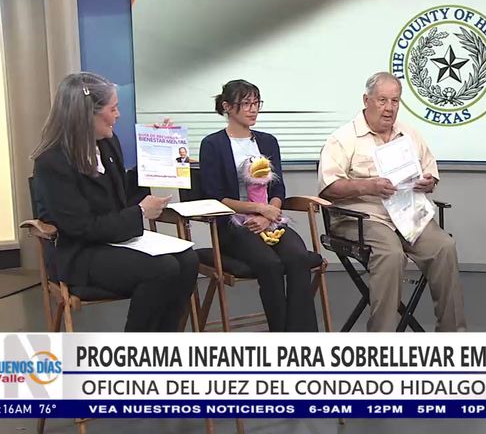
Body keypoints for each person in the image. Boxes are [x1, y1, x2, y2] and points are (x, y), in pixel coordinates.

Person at [32, 72, 199, 332]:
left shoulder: (108, 144)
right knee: (162, 269)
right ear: (87, 114)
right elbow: (82, 227)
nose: (118, 115)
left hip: (115, 240)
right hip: (80, 251)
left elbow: (124, 196)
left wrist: (157, 149)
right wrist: (140, 213)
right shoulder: (51, 162)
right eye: (113, 109)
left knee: (188, 260)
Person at [318, 71, 466, 332]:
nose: (389, 108)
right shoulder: (343, 138)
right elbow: (328, 188)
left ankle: (452, 335)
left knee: (445, 247)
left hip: (408, 215)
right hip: (363, 218)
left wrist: (428, 182)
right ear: (366, 100)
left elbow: (431, 174)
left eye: (395, 101)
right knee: (390, 254)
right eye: (382, 100)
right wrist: (369, 186)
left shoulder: (410, 134)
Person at [200, 79, 319, 332]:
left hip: (269, 221)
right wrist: (257, 209)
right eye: (246, 103)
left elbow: (278, 188)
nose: (253, 109)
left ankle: (301, 336)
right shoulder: (212, 144)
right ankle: (280, 334)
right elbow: (215, 196)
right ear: (227, 107)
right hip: (234, 226)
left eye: (256, 103)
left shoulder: (268, 141)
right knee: (270, 264)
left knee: (298, 257)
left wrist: (268, 213)